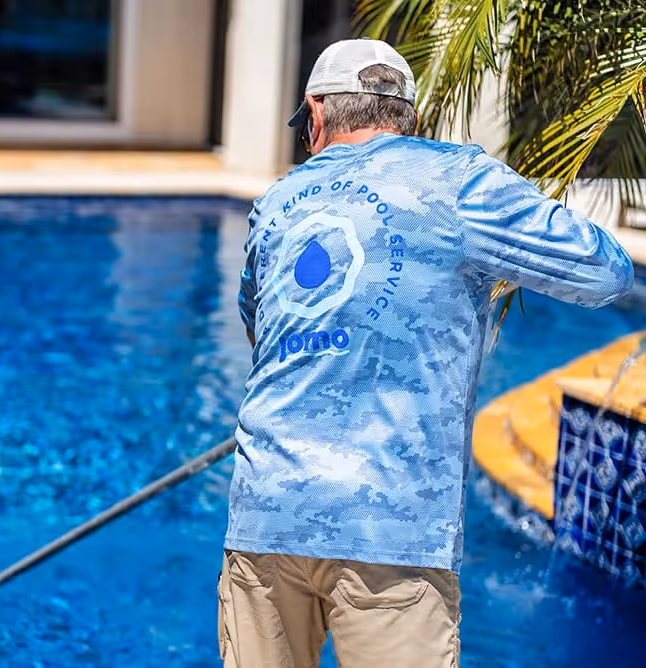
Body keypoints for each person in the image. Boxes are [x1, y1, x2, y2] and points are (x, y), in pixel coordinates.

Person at [218, 38, 633, 668]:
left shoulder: (276, 202)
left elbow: (263, 331)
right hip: (393, 529)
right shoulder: (458, 180)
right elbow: (604, 271)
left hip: (264, 515)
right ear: (408, 118)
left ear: (317, 113)